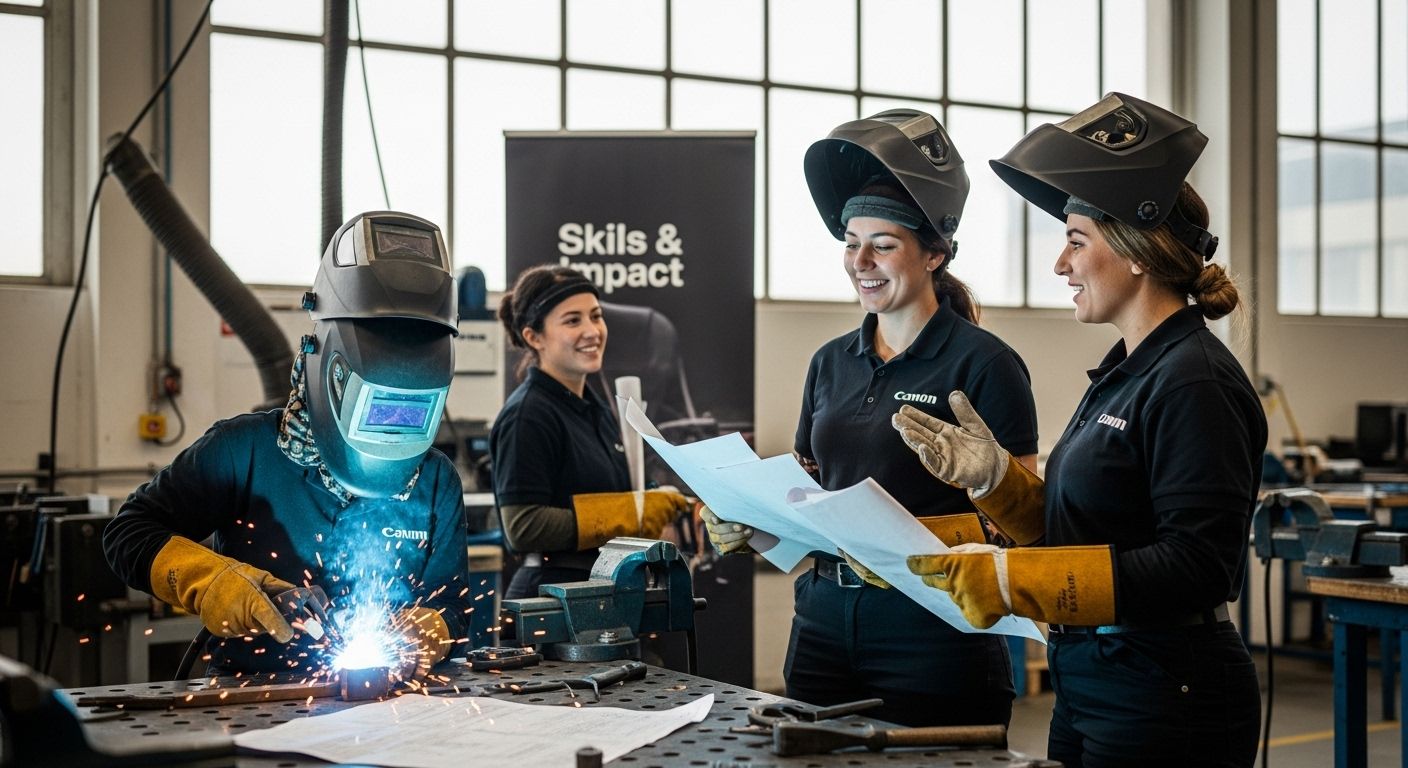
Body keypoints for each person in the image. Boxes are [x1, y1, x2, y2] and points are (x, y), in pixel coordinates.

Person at [898, 93, 1264, 767]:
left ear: (1135, 252)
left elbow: (1198, 565)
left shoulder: (1193, 381)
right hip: (1095, 678)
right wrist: (999, 484)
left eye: (1074, 241)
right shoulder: (1126, 373)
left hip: (1166, 694)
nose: (1060, 266)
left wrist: (1015, 581)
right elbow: (1086, 528)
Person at [703, 109, 1040, 728]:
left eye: (882, 245)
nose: (862, 261)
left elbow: (1021, 524)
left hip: (935, 628)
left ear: (933, 254)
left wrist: (909, 539)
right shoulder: (830, 362)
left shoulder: (985, 364)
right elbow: (810, 496)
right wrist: (752, 521)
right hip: (824, 623)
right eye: (851, 244)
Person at [104, 211, 472, 680]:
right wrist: (214, 582)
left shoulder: (435, 478)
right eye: (377, 409)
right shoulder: (244, 451)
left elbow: (454, 611)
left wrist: (424, 630)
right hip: (249, 698)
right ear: (328, 374)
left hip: (392, 707)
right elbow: (128, 534)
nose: (390, 432)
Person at [490, 265, 690, 600]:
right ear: (533, 337)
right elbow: (522, 526)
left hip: (604, 593)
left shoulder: (594, 407)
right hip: (553, 599)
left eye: (596, 316)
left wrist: (661, 501)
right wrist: (633, 512)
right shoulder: (529, 414)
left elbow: (615, 488)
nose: (592, 330)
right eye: (573, 320)